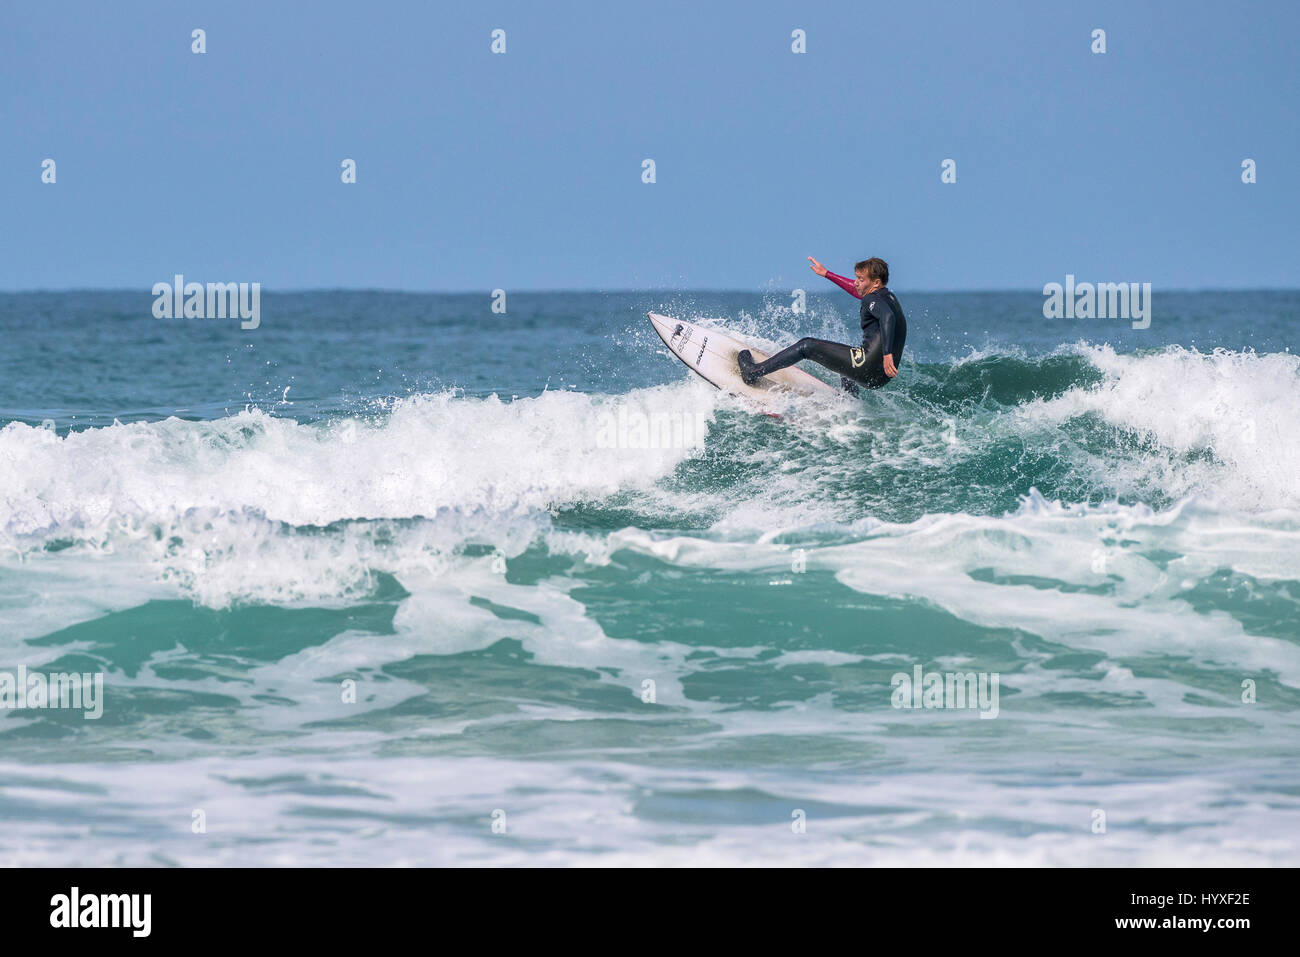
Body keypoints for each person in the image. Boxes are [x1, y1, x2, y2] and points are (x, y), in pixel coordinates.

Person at [738, 256, 906, 393]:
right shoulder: (889, 298)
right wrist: (827, 274)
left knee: (807, 345)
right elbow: (859, 292)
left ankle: (753, 372)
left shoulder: (872, 299)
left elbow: (887, 317)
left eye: (861, 279)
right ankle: (850, 403)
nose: (855, 282)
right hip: (881, 377)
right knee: (843, 358)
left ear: (876, 283)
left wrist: (886, 354)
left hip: (868, 367)